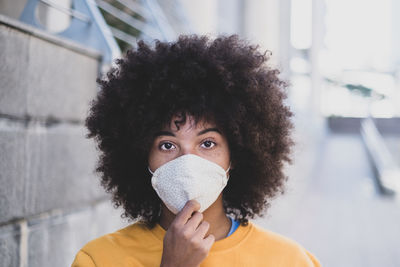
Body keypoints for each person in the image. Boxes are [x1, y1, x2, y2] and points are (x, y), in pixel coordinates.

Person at [71, 34, 321, 267]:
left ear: (234, 155)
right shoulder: (99, 259)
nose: (188, 162)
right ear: (141, 156)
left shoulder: (290, 260)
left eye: (207, 143)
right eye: (167, 145)